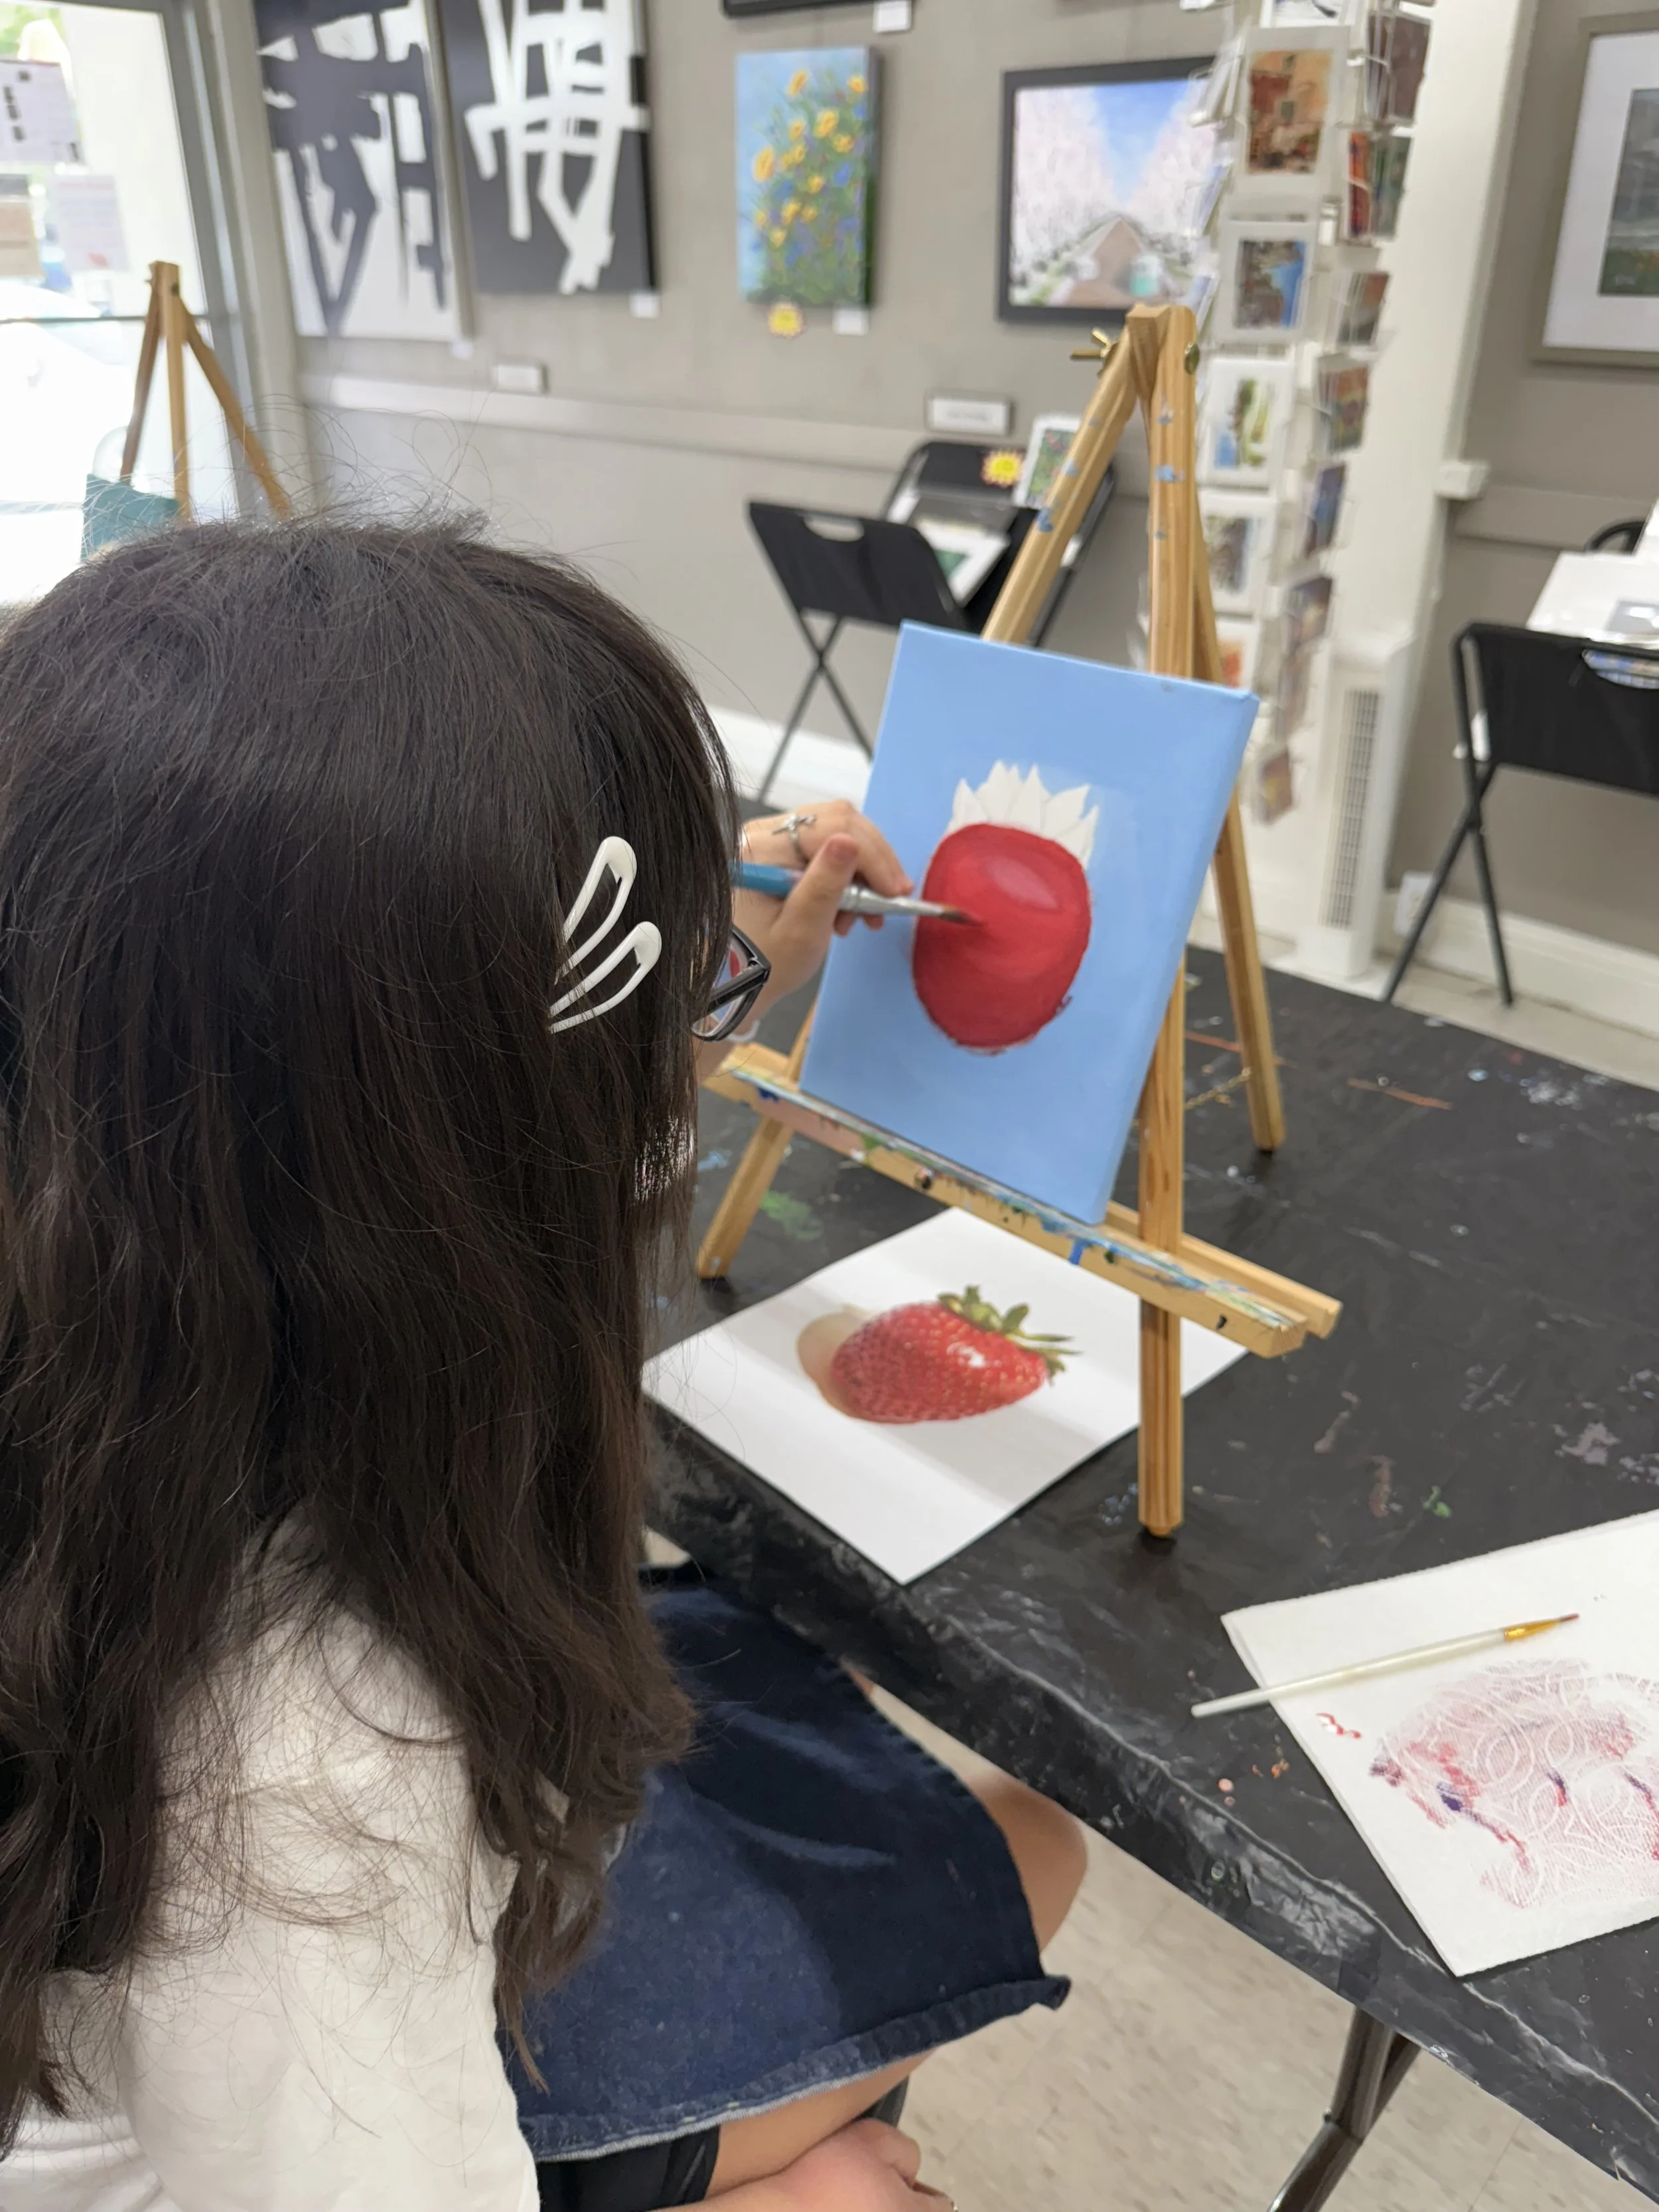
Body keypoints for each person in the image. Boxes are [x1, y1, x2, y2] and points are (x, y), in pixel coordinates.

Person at [0, 522, 1084, 2212]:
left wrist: (728, 973)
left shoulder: (115, 1262)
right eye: (649, 1008)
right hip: (262, 2119)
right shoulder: (311, 1760)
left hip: (207, 1995)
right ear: (453, 1167)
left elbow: (411, 1076)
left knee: (848, 1744)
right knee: (1020, 1864)